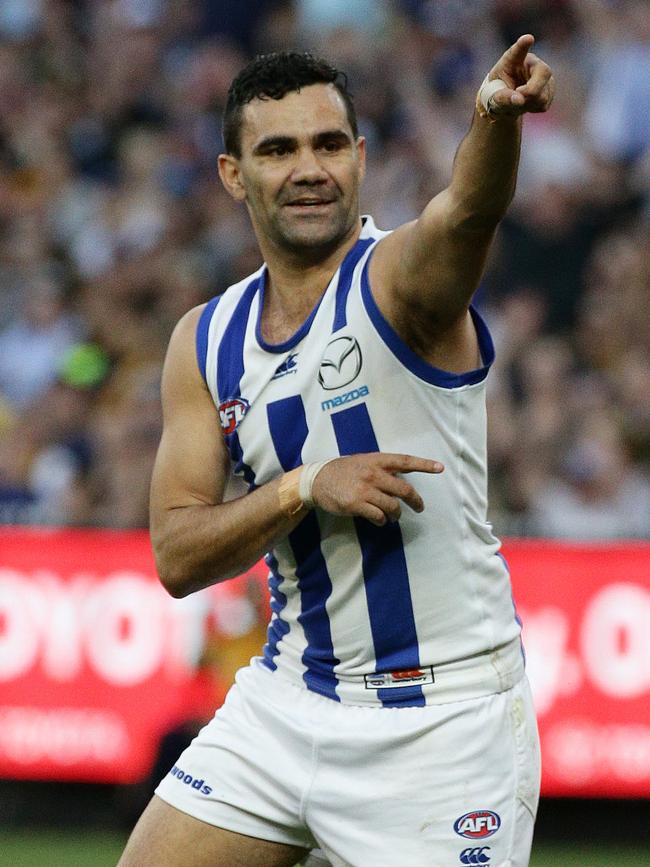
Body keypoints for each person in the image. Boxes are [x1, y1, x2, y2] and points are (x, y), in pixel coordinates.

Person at [118, 35, 554, 867]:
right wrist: (303, 485)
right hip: (288, 700)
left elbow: (466, 211)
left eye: (326, 145)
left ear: (359, 157)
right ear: (232, 175)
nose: (308, 168)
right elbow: (175, 553)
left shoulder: (398, 281)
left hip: (442, 720)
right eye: (277, 150)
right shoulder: (204, 341)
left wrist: (494, 121)